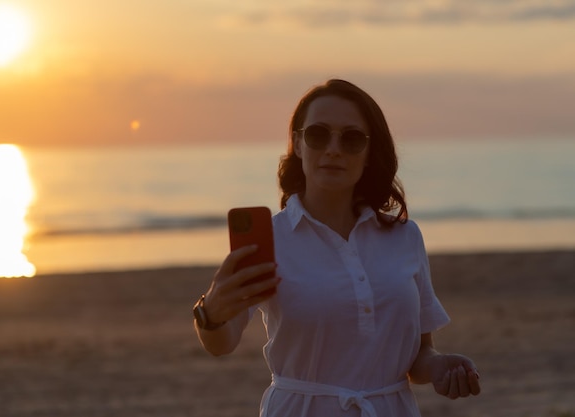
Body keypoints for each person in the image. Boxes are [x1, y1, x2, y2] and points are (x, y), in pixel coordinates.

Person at [193, 79, 481, 416]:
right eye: (318, 134)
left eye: (352, 138)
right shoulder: (272, 239)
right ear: (298, 144)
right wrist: (210, 314)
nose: (333, 149)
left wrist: (440, 368)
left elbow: (418, 357)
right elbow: (222, 344)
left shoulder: (405, 237)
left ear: (370, 153)